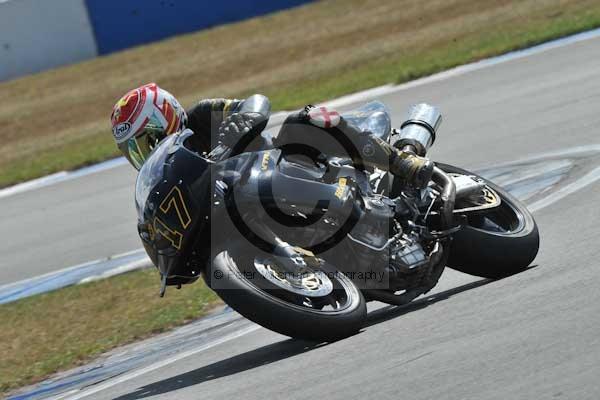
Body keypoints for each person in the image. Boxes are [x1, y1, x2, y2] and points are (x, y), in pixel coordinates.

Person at [110, 83, 433, 187]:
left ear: (165, 116)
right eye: (135, 151)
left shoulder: (201, 116)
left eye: (148, 141)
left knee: (305, 118)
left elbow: (256, 102)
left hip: (289, 165)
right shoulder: (171, 172)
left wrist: (238, 127)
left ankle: (400, 161)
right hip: (254, 200)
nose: (146, 153)